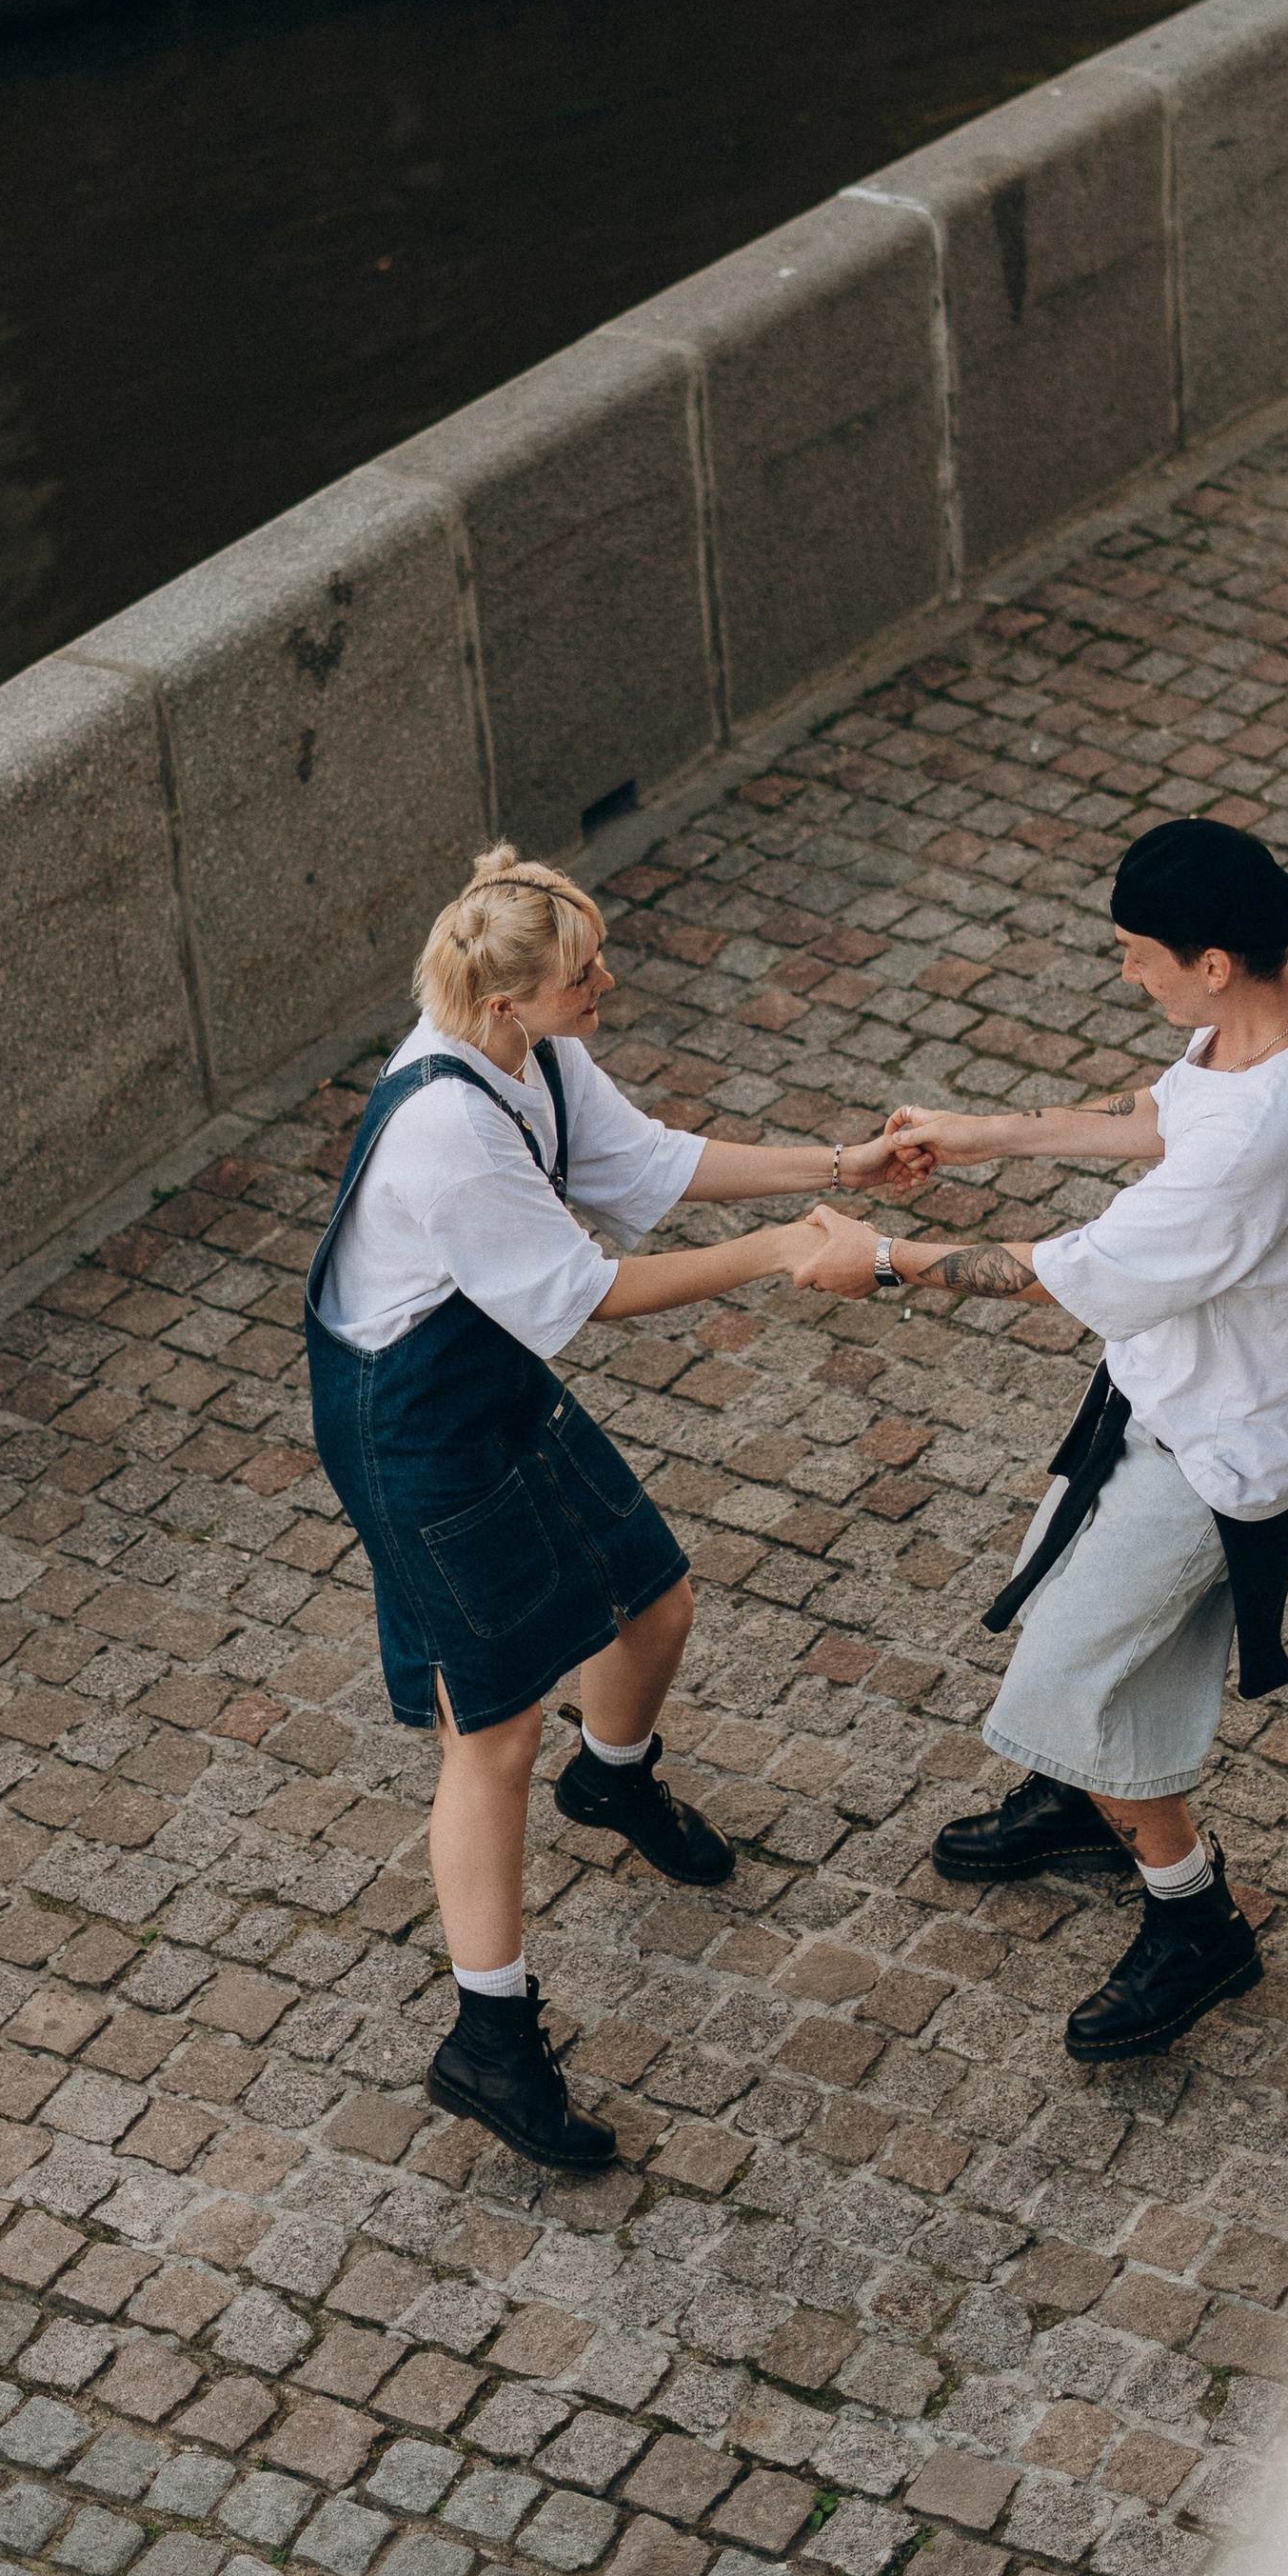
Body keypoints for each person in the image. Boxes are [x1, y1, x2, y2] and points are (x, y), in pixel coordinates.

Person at [307, 846, 917, 2170]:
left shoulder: (533, 1055)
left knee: (656, 1605)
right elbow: (585, 1301)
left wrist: (839, 1167)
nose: (611, 984)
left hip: (481, 1380)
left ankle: (618, 1780)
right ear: (510, 999)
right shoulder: (450, 1127)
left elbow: (645, 1164)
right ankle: (490, 2040)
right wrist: (776, 1254)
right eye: (587, 975)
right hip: (416, 1431)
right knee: (494, 1736)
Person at [797, 816, 1288, 2061]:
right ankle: (1081, 1800)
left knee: (1069, 1678)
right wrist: (985, 1131)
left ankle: (1194, 1913)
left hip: (1214, 1446)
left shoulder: (1257, 1152)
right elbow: (1167, 1109)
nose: (1126, 975)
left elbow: (1065, 1272)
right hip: (1170, 1401)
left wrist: (882, 1261)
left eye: (1136, 956)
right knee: (1081, 1605)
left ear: (1212, 960)